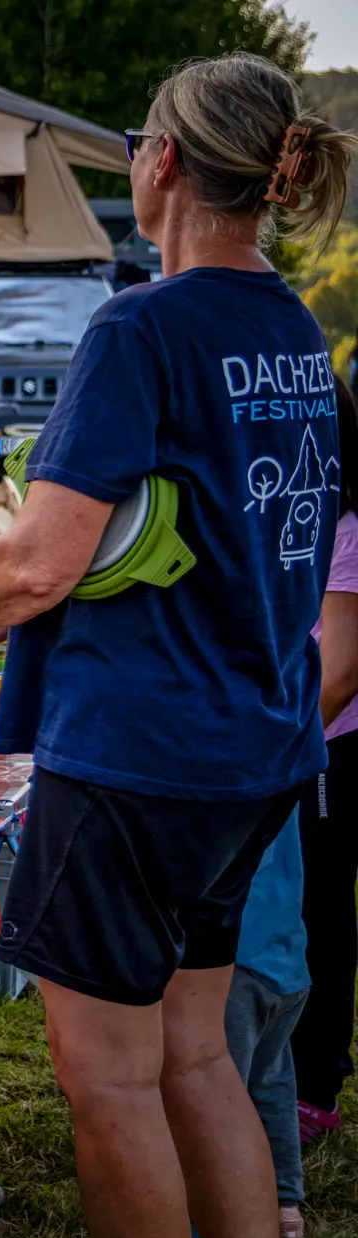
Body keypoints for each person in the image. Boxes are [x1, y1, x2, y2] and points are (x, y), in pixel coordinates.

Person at [0, 53, 353, 1238]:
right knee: (197, 1056)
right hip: (254, 746)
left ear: (161, 164)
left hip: (139, 757)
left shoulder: (141, 325)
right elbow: (180, 537)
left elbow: (40, 557)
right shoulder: (293, 328)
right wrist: (12, 610)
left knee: (110, 1082)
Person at [291, 376, 358, 1145]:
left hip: (327, 746)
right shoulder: (302, 510)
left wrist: (280, 756)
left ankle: (316, 1085)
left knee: (321, 913)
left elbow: (338, 675)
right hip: (294, 738)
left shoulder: (344, 526)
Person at [214, 812, 310, 1238]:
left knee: (216, 1096)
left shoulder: (227, 779)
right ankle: (285, 1204)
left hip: (234, 961)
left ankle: (214, 1216)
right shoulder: (278, 766)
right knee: (271, 1082)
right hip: (285, 958)